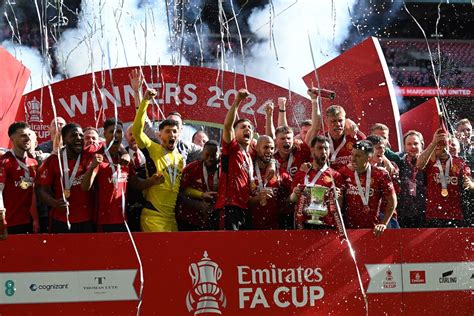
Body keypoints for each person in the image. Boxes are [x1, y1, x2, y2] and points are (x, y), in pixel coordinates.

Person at [132, 89, 185, 232]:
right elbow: (137, 131)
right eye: (167, 131)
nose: (171, 134)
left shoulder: (180, 159)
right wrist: (145, 101)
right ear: (159, 134)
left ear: (179, 134)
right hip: (153, 216)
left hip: (171, 218)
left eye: (174, 131)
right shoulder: (152, 147)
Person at [129, 69, 202, 164]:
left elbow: (209, 151)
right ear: (162, 131)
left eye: (175, 127)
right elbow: (141, 117)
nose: (172, 131)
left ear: (180, 131)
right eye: (168, 127)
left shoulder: (186, 146)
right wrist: (137, 91)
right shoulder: (155, 140)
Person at [37, 123, 96, 233]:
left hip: (87, 219)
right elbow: (41, 191)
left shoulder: (89, 155)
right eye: (73, 135)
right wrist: (55, 203)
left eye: (81, 135)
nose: (78, 138)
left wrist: (125, 152)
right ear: (64, 138)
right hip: (61, 220)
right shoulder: (54, 160)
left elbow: (107, 143)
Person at [215, 89, 255, 230]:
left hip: (243, 208)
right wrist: (237, 101)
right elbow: (227, 126)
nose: (247, 130)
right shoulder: (232, 148)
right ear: (235, 132)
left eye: (250, 128)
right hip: (228, 207)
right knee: (226, 248)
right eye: (243, 127)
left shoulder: (249, 156)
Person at [339, 140, 397, 236]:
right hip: (347, 230)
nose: (353, 159)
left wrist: (383, 223)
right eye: (352, 155)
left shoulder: (380, 175)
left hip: (372, 230)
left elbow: (392, 201)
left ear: (369, 158)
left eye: (358, 156)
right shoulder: (343, 173)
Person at [416, 128, 471, 227]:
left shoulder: (459, 162)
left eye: (442, 144)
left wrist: (469, 184)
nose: (439, 147)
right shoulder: (430, 161)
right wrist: (433, 142)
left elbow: (471, 182)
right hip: (434, 214)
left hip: (455, 214)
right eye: (437, 145)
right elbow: (419, 165)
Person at [290, 135, 343, 230]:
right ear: (312, 150)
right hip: (302, 223)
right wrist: (295, 194)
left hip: (326, 224)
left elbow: (340, 206)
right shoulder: (301, 173)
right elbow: (292, 200)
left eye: (326, 148)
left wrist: (336, 197)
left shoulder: (335, 176)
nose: (323, 152)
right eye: (320, 148)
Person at [308, 87, 363, 172]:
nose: (337, 124)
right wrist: (314, 101)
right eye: (333, 121)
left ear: (345, 120)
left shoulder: (355, 137)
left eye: (340, 120)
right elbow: (315, 126)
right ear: (326, 122)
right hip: (329, 181)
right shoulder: (321, 140)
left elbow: (370, 155)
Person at [0, 122, 39, 235]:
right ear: (12, 138)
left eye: (29, 135)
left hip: (29, 222)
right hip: (9, 222)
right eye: (23, 136)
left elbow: (34, 194)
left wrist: (36, 219)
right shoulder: (4, 162)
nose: (27, 139)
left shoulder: (33, 162)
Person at [248, 136, 292, 230]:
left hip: (274, 229)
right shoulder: (249, 170)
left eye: (272, 148)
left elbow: (292, 190)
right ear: (256, 148)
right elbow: (242, 201)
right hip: (249, 228)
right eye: (265, 147)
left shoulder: (279, 171)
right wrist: (258, 198)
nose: (269, 151)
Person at [385, 130, 427, 228]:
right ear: (404, 146)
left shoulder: (429, 162)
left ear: (422, 145)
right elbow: (381, 150)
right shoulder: (399, 161)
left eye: (416, 144)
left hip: (424, 213)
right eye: (409, 144)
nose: (412, 147)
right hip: (403, 212)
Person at [177, 141, 220, 231]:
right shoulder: (192, 168)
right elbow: (180, 192)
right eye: (207, 155)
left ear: (219, 155)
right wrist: (199, 202)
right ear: (202, 153)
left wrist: (215, 206)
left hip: (214, 220)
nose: (210, 158)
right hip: (189, 219)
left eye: (213, 155)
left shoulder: (224, 171)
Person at [366, 135, 400, 229]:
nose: (382, 151)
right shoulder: (360, 169)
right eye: (378, 148)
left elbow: (397, 191)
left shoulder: (391, 167)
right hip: (366, 217)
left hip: (387, 216)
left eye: (383, 148)